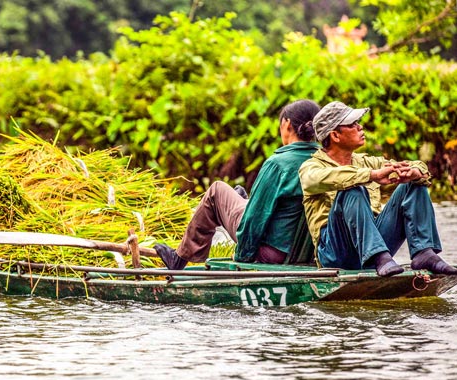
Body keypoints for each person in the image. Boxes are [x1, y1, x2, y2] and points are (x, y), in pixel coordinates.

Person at [155, 99, 321, 269]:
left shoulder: (278, 164)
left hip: (271, 253)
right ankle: (239, 200)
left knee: (216, 191)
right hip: (305, 252)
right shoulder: (325, 161)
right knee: (241, 198)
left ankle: (179, 258)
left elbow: (254, 219)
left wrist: (242, 257)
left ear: (287, 124)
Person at [298, 101, 457, 277]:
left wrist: (414, 172)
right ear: (335, 135)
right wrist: (371, 176)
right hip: (335, 253)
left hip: (374, 244)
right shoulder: (310, 167)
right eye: (353, 124)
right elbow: (317, 180)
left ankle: (424, 253)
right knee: (352, 189)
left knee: (415, 184)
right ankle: (379, 257)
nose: (360, 127)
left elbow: (416, 165)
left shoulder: (367, 162)